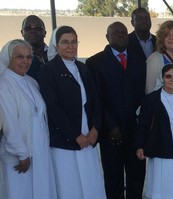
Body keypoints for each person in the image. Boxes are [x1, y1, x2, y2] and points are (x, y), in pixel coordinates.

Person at [37, 26, 106, 199]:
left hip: (87, 136)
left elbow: (96, 100)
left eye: (74, 42)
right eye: (65, 42)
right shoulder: (48, 71)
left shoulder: (83, 68)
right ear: (56, 45)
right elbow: (53, 108)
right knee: (70, 185)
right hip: (65, 141)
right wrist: (75, 135)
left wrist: (96, 128)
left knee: (90, 184)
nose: (70, 46)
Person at [86, 21, 146, 199]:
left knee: (137, 175)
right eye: (116, 32)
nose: (121, 34)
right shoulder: (95, 62)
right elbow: (97, 98)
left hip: (135, 130)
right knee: (113, 177)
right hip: (111, 132)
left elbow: (143, 92)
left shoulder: (139, 59)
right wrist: (111, 125)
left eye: (124, 32)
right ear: (107, 37)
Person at [0, 39, 56, 199]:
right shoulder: (4, 84)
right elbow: (9, 122)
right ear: (9, 57)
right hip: (18, 155)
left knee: (39, 190)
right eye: (19, 57)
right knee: (19, 191)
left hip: (39, 149)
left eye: (29, 57)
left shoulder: (31, 82)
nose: (25, 61)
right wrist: (22, 153)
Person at [135, 63, 173, 199]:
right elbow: (143, 125)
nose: (172, 79)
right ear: (162, 78)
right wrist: (139, 145)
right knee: (162, 181)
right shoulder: (152, 99)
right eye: (168, 76)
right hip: (160, 145)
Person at [145, 20, 173, 95]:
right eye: (167, 35)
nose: (171, 37)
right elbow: (150, 90)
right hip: (164, 105)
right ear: (162, 39)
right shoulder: (154, 60)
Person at [21, 15, 48, 80]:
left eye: (37, 28)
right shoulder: (15, 59)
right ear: (22, 33)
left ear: (44, 33)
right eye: (28, 28)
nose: (33, 31)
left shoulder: (55, 55)